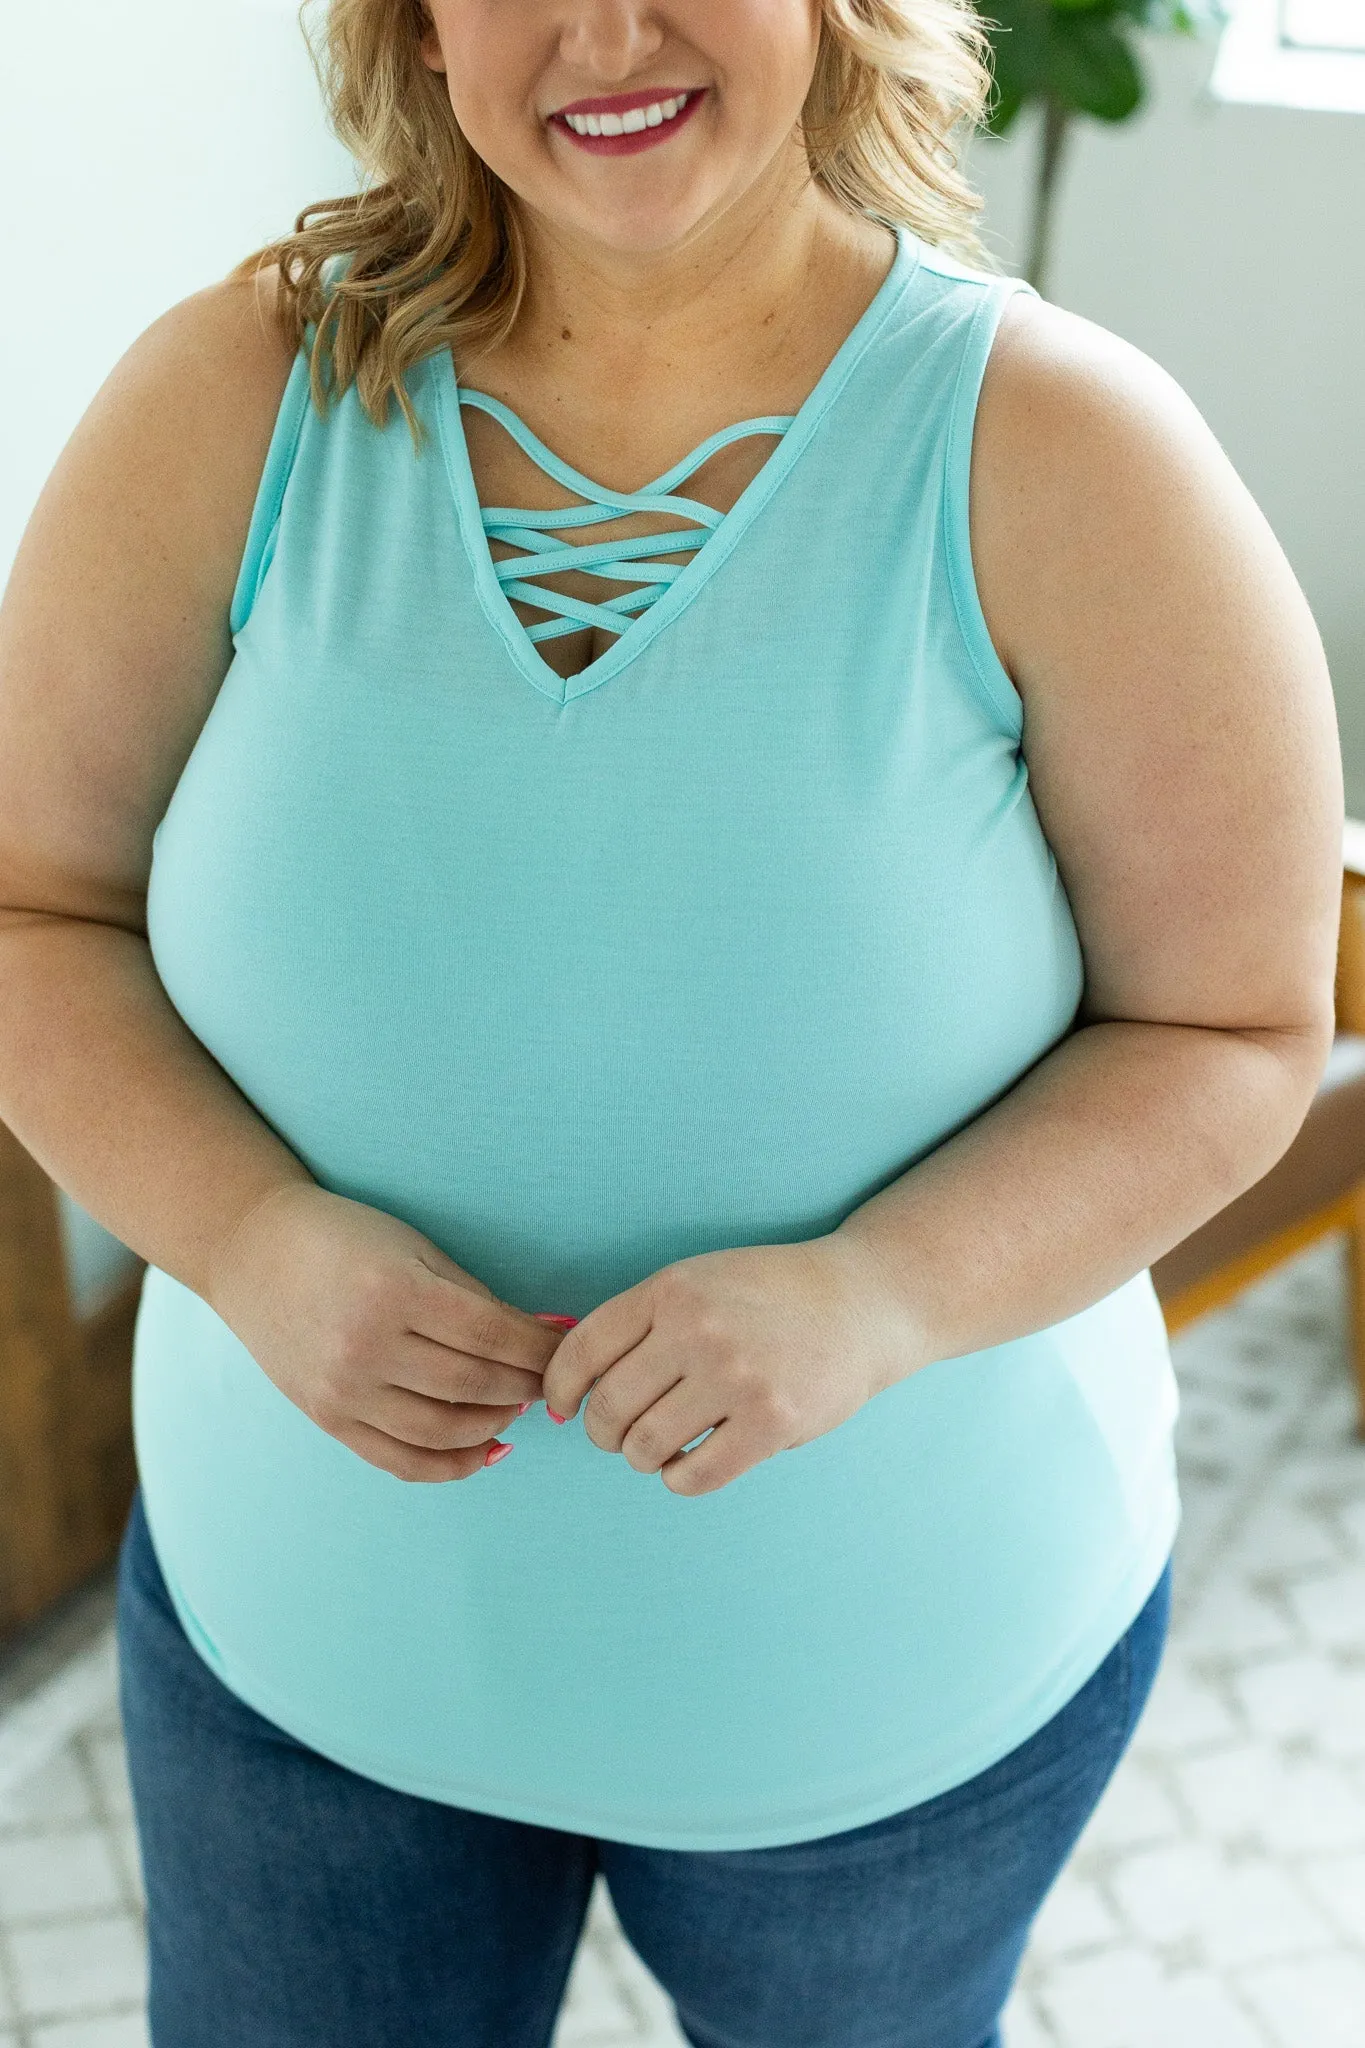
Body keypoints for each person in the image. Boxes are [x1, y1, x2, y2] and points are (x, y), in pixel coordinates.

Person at [0, 0, 1342, 2042]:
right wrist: (248, 1234)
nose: (602, 27)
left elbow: (1235, 1030)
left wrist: (880, 1293)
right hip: (303, 1665)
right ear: (418, 28)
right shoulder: (232, 392)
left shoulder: (1069, 453)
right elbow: (31, 902)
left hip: (895, 1694)